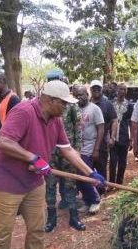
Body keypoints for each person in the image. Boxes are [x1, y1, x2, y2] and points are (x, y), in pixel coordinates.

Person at [0, 80, 105, 249]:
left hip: (32, 180)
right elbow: (3, 142)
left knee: (37, 227)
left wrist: (89, 173)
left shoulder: (55, 119)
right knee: (3, 233)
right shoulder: (24, 112)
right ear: (49, 100)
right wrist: (33, 157)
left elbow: (67, 150)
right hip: (4, 179)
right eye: (63, 104)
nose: (67, 108)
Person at [45, 74, 85, 232]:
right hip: (50, 153)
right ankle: (51, 220)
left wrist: (77, 151)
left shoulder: (71, 105)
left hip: (68, 152)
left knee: (70, 184)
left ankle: (74, 218)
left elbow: (78, 129)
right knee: (50, 185)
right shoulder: (47, 106)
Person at [77, 86, 104, 214]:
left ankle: (95, 200)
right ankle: (87, 201)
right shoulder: (75, 108)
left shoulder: (95, 109)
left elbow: (101, 129)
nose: (79, 97)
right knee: (78, 177)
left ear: (87, 95)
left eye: (82, 94)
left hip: (90, 146)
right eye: (77, 95)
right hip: (77, 148)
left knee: (85, 175)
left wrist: (96, 149)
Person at [89, 80, 117, 189]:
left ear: (101, 89)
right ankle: (90, 195)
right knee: (88, 169)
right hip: (87, 143)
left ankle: (100, 192)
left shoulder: (107, 104)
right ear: (90, 89)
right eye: (94, 88)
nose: (96, 90)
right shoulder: (86, 103)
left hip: (102, 144)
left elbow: (114, 120)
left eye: (98, 88)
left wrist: (112, 137)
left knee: (101, 169)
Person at [109, 83, 133, 184]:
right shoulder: (110, 104)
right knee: (113, 162)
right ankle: (111, 183)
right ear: (116, 90)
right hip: (112, 138)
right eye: (120, 89)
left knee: (122, 162)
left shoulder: (129, 105)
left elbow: (131, 123)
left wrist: (132, 139)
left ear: (126, 91)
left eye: (124, 89)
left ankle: (119, 183)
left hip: (124, 137)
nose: (122, 91)